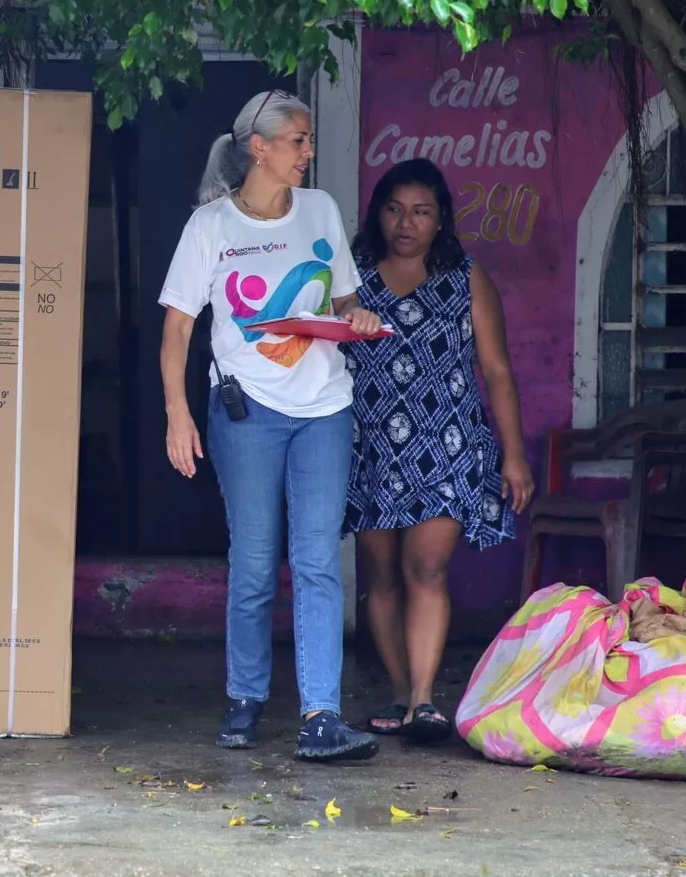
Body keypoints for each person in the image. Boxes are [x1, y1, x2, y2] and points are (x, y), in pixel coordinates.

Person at [159, 89, 384, 761]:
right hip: (245, 414)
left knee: (317, 562)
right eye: (299, 141)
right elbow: (177, 328)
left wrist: (359, 317)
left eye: (310, 141)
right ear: (259, 147)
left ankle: (321, 715)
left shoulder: (320, 211)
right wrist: (176, 412)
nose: (308, 154)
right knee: (255, 563)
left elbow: (343, 298)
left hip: (324, 409)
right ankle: (246, 698)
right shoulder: (211, 228)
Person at [342, 158, 535, 743]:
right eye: (395, 209)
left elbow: (497, 371)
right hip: (367, 447)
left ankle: (426, 700)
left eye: (421, 211)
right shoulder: (347, 276)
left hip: (446, 443)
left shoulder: (466, 277)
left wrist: (514, 454)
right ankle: (402, 694)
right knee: (380, 576)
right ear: (378, 213)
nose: (406, 223)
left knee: (425, 566)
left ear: (441, 219)